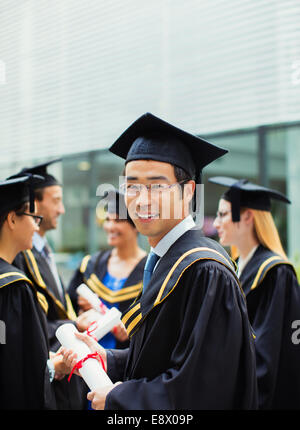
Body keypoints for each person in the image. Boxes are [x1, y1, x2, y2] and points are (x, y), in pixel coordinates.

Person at [61, 112, 258, 410]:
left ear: (188, 190)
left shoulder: (204, 270)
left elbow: (204, 388)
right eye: (132, 186)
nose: (141, 200)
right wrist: (109, 358)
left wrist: (118, 398)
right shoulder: (165, 260)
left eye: (156, 186)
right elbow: (163, 356)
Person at [210, 176, 300, 410]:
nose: (216, 223)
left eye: (223, 214)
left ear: (247, 217)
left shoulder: (275, 272)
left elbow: (267, 353)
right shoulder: (236, 267)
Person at [11, 160, 88, 410]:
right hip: (44, 373)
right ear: (35, 203)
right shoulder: (19, 257)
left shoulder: (46, 249)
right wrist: (73, 325)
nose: (62, 209)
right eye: (56, 200)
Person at [0, 175, 68, 409]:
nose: (36, 225)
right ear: (11, 219)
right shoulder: (13, 288)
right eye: (32, 216)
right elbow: (16, 371)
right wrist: (53, 367)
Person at [68, 189, 147, 350]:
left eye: (118, 220)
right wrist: (81, 308)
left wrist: (132, 332)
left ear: (136, 225)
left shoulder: (151, 270)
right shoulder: (91, 264)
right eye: (108, 220)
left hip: (127, 359)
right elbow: (68, 309)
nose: (110, 226)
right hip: (86, 356)